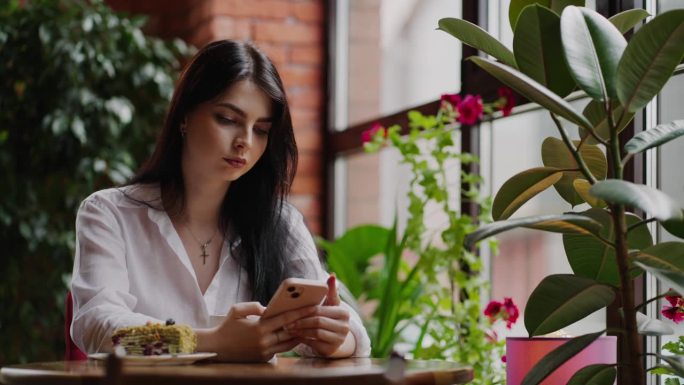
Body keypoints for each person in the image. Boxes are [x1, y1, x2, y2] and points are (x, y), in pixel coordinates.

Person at [70, 40, 371, 361]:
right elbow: (98, 328)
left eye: (261, 130)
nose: (245, 142)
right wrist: (211, 341)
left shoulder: (279, 221)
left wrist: (336, 338)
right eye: (228, 119)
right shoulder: (110, 213)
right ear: (185, 115)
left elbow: (352, 333)